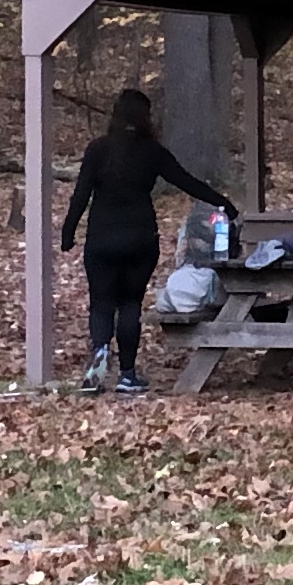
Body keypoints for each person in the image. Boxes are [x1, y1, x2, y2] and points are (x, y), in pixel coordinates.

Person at [59, 85, 233, 396]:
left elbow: (81, 194)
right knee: (130, 304)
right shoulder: (153, 152)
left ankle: (100, 352)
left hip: (101, 238)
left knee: (101, 304)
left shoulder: (98, 150)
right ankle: (127, 374)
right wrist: (224, 205)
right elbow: (187, 182)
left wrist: (68, 233)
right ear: (146, 118)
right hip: (140, 239)